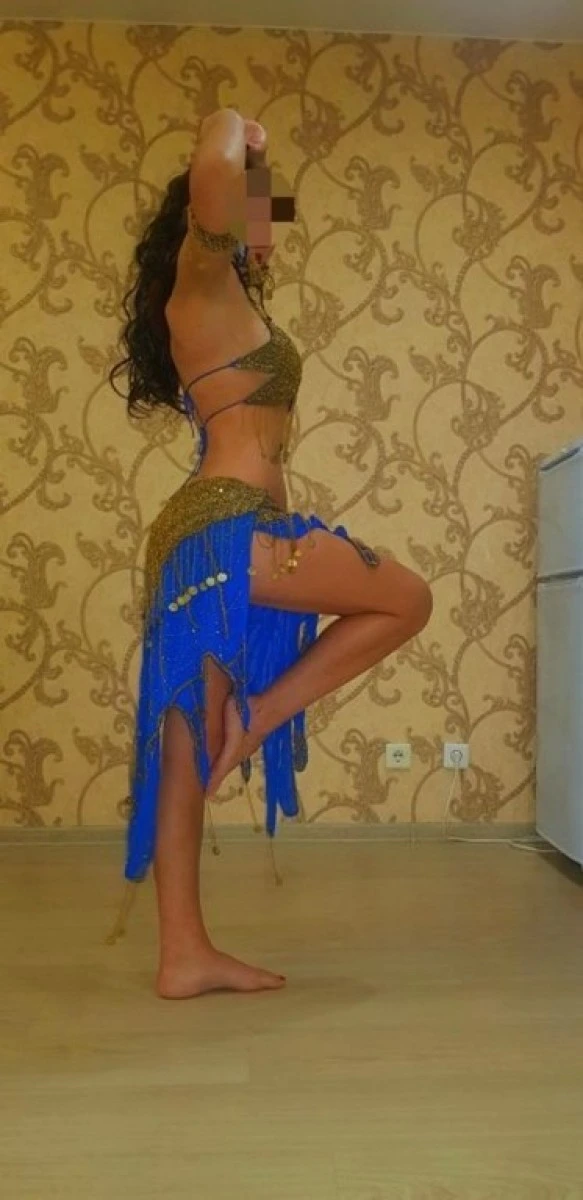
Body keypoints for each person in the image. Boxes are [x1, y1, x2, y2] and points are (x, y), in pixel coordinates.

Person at [109, 108, 433, 999]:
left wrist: (252, 185)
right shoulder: (200, 285)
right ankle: (258, 718)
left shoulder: (230, 302)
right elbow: (215, 177)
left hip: (206, 539)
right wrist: (234, 132)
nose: (269, 219)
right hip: (227, 528)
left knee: (185, 751)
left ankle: (183, 954)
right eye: (262, 202)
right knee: (406, 599)